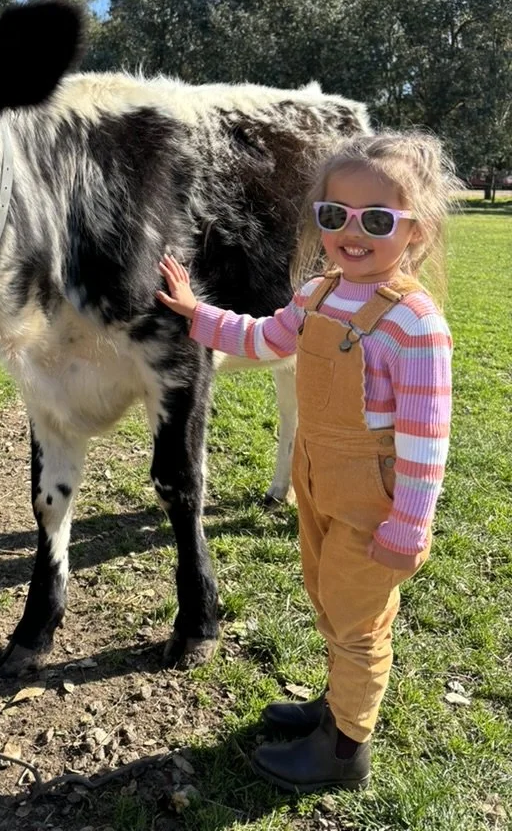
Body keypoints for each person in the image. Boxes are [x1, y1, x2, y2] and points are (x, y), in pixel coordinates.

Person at [156, 131, 457, 793]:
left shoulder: (415, 323)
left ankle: (345, 751)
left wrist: (410, 524)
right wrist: (195, 314)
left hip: (371, 500)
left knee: (358, 620)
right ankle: (335, 706)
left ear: (416, 229)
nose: (352, 232)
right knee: (330, 600)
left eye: (376, 220)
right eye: (334, 215)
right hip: (316, 483)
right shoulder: (319, 294)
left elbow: (426, 436)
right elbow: (262, 339)